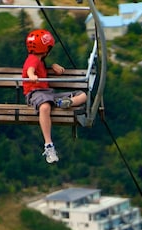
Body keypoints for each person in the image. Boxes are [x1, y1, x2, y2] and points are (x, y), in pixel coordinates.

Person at [22, 29, 89, 164]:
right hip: (35, 93)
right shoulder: (33, 59)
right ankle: (48, 144)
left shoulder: (40, 61)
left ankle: (66, 102)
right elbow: (30, 68)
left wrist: (53, 67)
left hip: (47, 93)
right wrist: (31, 76)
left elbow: (39, 69)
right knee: (45, 107)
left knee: (82, 96)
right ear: (46, 48)